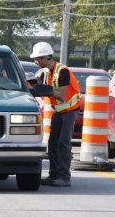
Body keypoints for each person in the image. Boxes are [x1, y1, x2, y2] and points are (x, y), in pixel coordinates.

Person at [30, 42, 81, 187]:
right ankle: (53, 176)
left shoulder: (62, 71)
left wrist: (45, 90)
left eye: (37, 59)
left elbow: (62, 96)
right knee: (52, 143)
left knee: (63, 143)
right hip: (59, 111)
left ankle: (64, 178)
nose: (36, 62)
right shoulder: (48, 71)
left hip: (70, 110)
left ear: (46, 58)